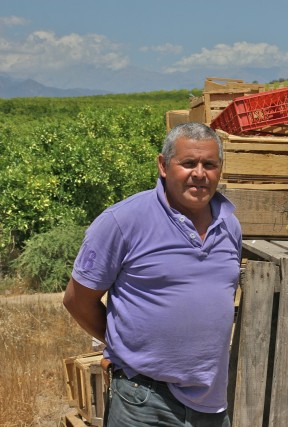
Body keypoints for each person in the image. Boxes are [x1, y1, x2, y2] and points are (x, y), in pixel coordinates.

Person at [63, 122, 242, 427]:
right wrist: (126, 346)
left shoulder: (229, 225)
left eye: (209, 165)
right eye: (188, 163)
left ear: (220, 169)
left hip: (210, 402)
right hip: (143, 400)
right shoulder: (122, 221)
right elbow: (77, 300)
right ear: (163, 165)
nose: (199, 173)